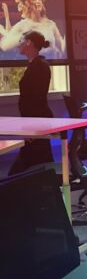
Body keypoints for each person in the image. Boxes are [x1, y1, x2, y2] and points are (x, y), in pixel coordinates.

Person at [9, 31, 54, 174]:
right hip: (33, 123)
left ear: (29, 42)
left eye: (21, 40)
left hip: (36, 123)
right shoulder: (35, 65)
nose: (18, 44)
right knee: (36, 161)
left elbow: (37, 98)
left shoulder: (40, 66)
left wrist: (31, 127)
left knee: (32, 162)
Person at [0, 0, 65, 58]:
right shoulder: (22, 25)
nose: (38, 1)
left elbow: (62, 48)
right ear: (26, 2)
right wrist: (24, 36)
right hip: (33, 64)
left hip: (49, 65)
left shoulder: (51, 25)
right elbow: (5, 45)